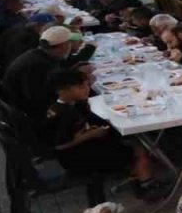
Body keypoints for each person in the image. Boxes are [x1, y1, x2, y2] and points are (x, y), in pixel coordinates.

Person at [46, 69, 159, 201]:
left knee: (129, 141)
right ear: (63, 90)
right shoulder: (62, 113)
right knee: (138, 150)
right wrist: (91, 134)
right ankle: (147, 188)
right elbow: (59, 146)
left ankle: (138, 178)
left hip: (84, 147)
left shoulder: (73, 104)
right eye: (81, 87)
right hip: (77, 157)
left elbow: (88, 123)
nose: (87, 89)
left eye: (88, 85)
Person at [3, 25, 79, 125]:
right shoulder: (40, 66)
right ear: (63, 46)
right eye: (70, 42)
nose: (71, 45)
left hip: (20, 106)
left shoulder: (38, 54)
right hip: (30, 116)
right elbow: (40, 99)